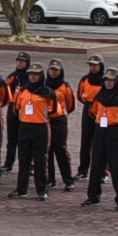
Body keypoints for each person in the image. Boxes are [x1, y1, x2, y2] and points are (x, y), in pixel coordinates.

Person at [81, 68, 118, 210]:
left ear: (117, 81)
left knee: (117, 166)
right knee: (96, 165)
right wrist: (102, 121)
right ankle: (93, 196)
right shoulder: (99, 96)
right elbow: (93, 112)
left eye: (111, 80)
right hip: (100, 131)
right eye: (106, 80)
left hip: (114, 132)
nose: (108, 83)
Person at [7, 66, 55, 201]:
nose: (33, 77)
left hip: (40, 127)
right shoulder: (23, 91)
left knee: (40, 159)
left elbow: (54, 110)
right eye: (31, 74)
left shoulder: (47, 92)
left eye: (36, 74)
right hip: (25, 127)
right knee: (23, 158)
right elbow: (16, 108)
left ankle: (42, 189)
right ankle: (21, 188)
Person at [43, 60, 77, 192]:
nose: (53, 72)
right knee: (48, 150)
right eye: (51, 70)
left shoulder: (65, 87)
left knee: (61, 149)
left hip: (59, 120)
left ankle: (68, 180)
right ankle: (50, 179)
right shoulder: (43, 86)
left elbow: (71, 105)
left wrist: (60, 112)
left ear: (61, 71)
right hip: (45, 121)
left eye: (56, 70)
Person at [75, 56, 106, 177]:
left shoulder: (106, 79)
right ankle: (83, 170)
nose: (92, 67)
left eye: (95, 65)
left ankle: (103, 171)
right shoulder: (85, 80)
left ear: (100, 65)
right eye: (90, 65)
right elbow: (79, 96)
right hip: (88, 108)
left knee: (102, 141)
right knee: (86, 140)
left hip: (103, 109)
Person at [2, 51, 31, 173]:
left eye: (22, 61)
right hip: (13, 107)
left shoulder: (31, 77)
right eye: (18, 60)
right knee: (12, 137)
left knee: (27, 138)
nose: (19, 63)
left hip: (27, 108)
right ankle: (9, 163)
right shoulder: (11, 77)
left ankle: (28, 164)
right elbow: (5, 93)